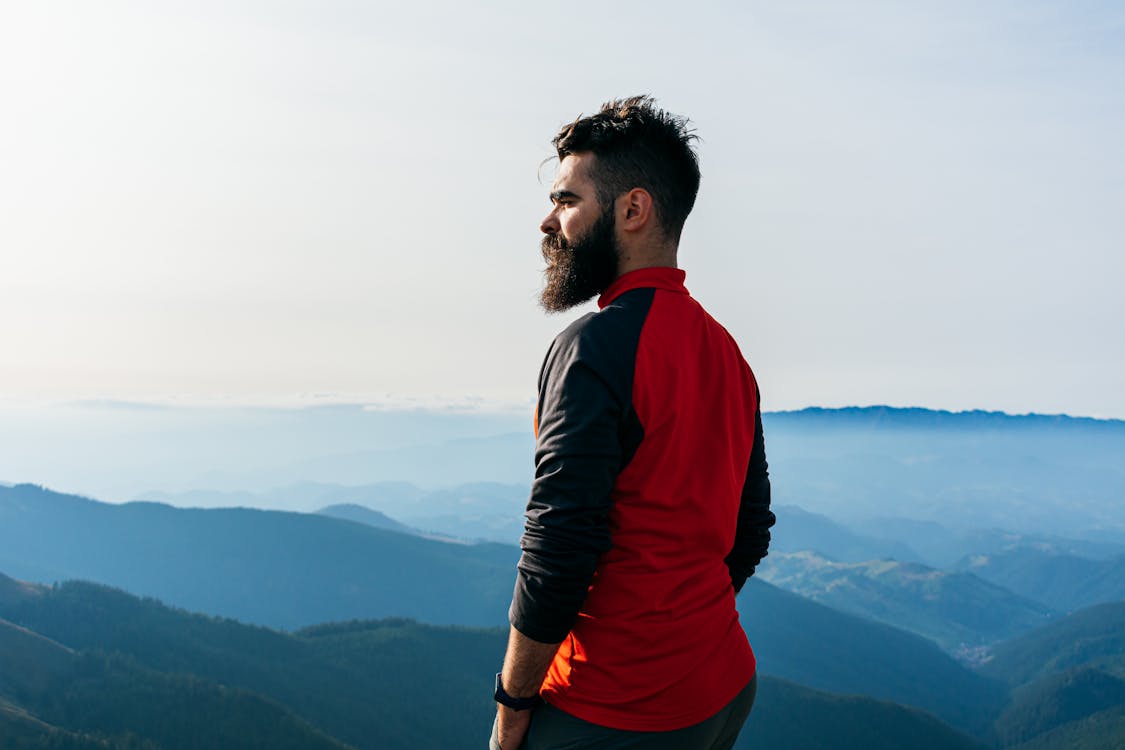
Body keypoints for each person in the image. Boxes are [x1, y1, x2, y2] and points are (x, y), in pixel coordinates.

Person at [490, 96, 774, 750]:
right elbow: (749, 527)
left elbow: (558, 548)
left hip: (612, 709)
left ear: (632, 210)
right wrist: (679, 619)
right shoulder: (726, 351)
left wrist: (511, 706)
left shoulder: (592, 348)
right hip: (721, 682)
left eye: (565, 200)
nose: (547, 220)